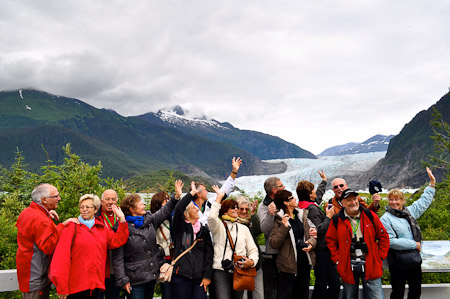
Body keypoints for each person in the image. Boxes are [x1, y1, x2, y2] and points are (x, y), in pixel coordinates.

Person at [50, 194, 129, 298]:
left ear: (96, 209)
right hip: (75, 288)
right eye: (82, 207)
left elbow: (117, 241)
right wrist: (61, 286)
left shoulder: (101, 228)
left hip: (95, 286)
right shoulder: (71, 227)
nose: (84, 210)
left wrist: (122, 219)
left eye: (88, 207)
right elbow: (61, 258)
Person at [112, 183, 181, 299]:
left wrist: (175, 197)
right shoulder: (121, 228)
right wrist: (122, 280)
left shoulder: (149, 220)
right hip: (134, 278)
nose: (144, 206)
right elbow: (117, 257)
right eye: (141, 204)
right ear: (132, 209)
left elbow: (164, 211)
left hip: (151, 275)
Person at [380, 167, 436, 299]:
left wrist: (432, 184)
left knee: (415, 291)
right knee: (398, 292)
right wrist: (414, 245)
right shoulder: (385, 218)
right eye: (391, 200)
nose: (394, 202)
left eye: (397, 199)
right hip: (397, 260)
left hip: (414, 259)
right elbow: (391, 241)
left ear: (402, 200)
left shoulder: (409, 213)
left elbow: (423, 202)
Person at [16, 183, 77, 299]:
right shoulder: (40, 219)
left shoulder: (28, 212)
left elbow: (33, 233)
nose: (59, 199)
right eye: (56, 196)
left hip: (27, 273)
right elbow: (48, 246)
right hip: (36, 277)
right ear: (44, 200)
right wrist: (63, 226)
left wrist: (47, 215)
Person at [326, 189, 389, 299]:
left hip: (371, 264)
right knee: (350, 296)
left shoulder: (370, 216)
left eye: (355, 199)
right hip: (347, 265)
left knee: (376, 296)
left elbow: (384, 237)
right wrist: (337, 260)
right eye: (349, 200)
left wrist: (379, 257)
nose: (353, 202)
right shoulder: (337, 220)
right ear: (342, 203)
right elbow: (330, 240)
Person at [208, 185, 259, 299]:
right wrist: (218, 200)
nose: (236, 209)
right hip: (220, 271)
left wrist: (251, 261)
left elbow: (253, 250)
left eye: (237, 207)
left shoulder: (243, 229)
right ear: (225, 210)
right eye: (233, 207)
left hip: (240, 270)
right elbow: (211, 218)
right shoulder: (219, 226)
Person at [296, 172, 340, 299]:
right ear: (310, 194)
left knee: (327, 282)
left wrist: (324, 182)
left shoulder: (303, 205)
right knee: (325, 284)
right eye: (313, 189)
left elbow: (318, 196)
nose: (315, 191)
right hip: (322, 250)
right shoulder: (312, 209)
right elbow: (319, 229)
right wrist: (328, 216)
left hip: (322, 250)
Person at [269, 190, 317, 299]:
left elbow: (313, 235)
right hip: (288, 266)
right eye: (291, 198)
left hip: (304, 263)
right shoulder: (279, 219)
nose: (295, 199)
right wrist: (284, 227)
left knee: (302, 295)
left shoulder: (301, 215)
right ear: (286, 202)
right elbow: (274, 242)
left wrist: (310, 243)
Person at [171, 181, 214, 299]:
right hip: (181, 275)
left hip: (199, 278)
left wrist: (207, 276)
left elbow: (208, 254)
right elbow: (178, 208)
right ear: (186, 214)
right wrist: (191, 193)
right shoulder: (179, 227)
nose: (197, 209)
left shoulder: (203, 230)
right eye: (193, 208)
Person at [257, 176, 285, 299]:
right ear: (274, 190)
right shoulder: (263, 207)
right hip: (273, 254)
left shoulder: (284, 202)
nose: (284, 187)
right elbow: (264, 230)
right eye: (281, 186)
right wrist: (270, 214)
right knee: (273, 290)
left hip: (287, 252)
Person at [236, 195, 263, 299]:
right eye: (241, 209)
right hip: (240, 266)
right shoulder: (232, 223)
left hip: (255, 264)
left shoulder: (249, 222)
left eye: (246, 209)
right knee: (243, 296)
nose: (244, 211)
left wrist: (253, 215)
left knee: (259, 295)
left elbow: (258, 231)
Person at [97, 189, 121, 299]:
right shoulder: (94, 217)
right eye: (107, 199)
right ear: (101, 201)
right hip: (99, 268)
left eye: (113, 199)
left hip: (117, 269)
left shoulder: (122, 216)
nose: (110, 202)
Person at [151, 191, 174, 299]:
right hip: (162, 259)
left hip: (174, 258)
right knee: (167, 291)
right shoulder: (154, 220)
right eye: (166, 200)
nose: (169, 202)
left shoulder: (173, 219)